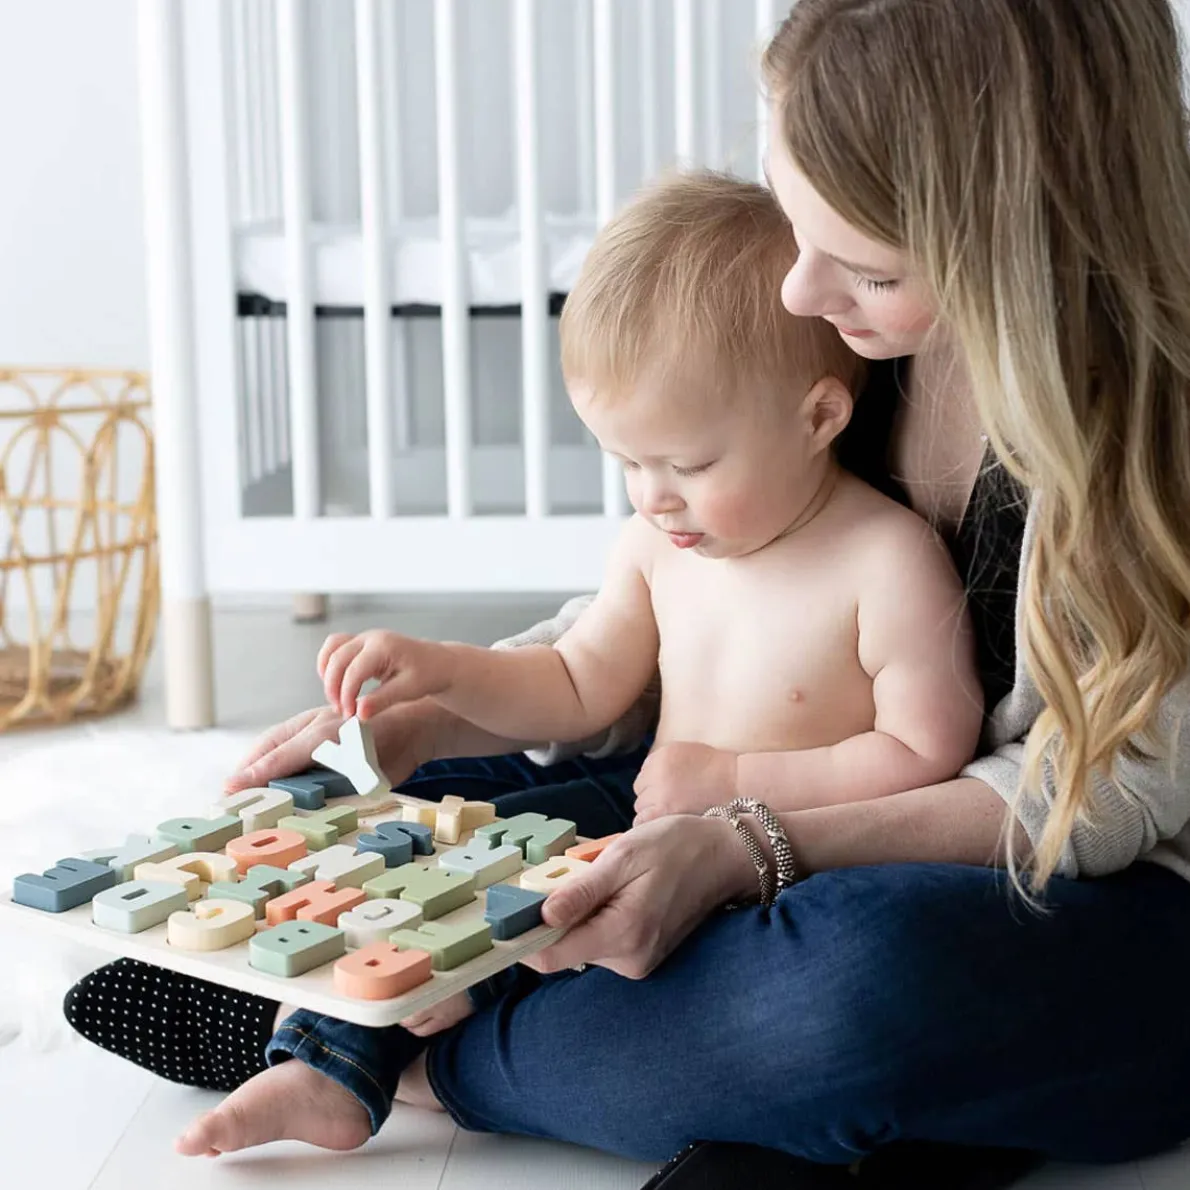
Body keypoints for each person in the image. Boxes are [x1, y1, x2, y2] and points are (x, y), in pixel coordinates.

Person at [63, 1, 1190, 1186]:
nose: (800, 291)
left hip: (1073, 896)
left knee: (861, 989)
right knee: (387, 806)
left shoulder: (1149, 426)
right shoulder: (839, 334)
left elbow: (1082, 803)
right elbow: (657, 626)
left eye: (863, 264)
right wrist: (448, 709)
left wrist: (750, 839)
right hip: (735, 805)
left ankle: (399, 1051)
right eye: (792, 216)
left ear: (1004, 235)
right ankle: (747, 1094)